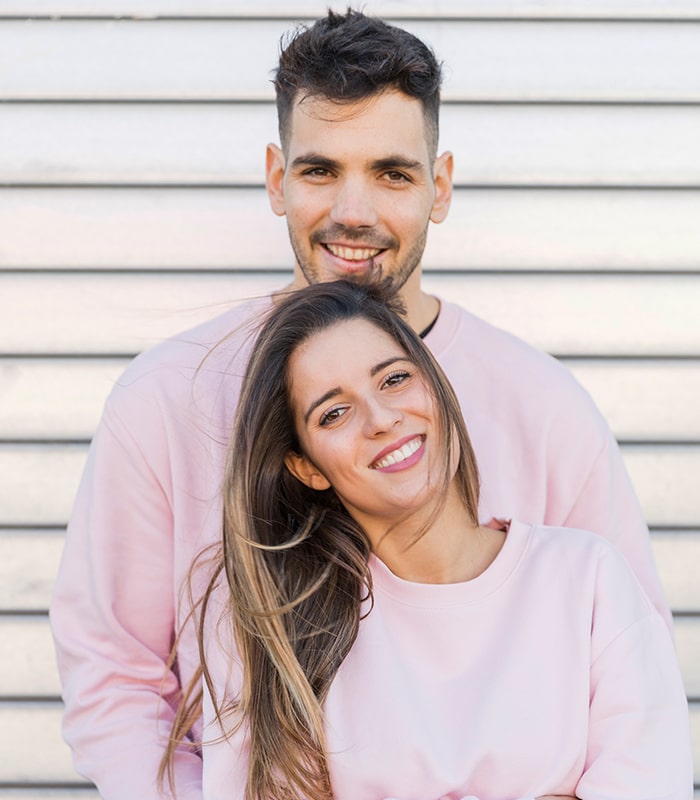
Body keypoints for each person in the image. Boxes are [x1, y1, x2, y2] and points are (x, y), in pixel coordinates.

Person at [50, 9, 674, 799]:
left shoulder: (545, 407)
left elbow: (630, 693)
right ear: (277, 179)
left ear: (438, 187)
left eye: (392, 173)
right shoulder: (165, 399)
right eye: (319, 171)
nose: (354, 212)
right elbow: (114, 677)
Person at [163, 278, 693, 800]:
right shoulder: (276, 630)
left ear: (435, 385)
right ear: (306, 467)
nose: (382, 419)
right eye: (334, 412)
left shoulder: (590, 582)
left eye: (394, 380)